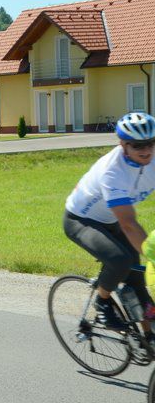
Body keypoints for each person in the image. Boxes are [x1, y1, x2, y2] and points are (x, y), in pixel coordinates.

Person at [65, 112, 155, 342]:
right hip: (81, 220)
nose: (145, 150)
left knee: (136, 276)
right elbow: (128, 224)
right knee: (120, 260)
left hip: (111, 220)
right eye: (137, 145)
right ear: (123, 144)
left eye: (150, 143)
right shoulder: (112, 172)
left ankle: (148, 337)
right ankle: (102, 301)